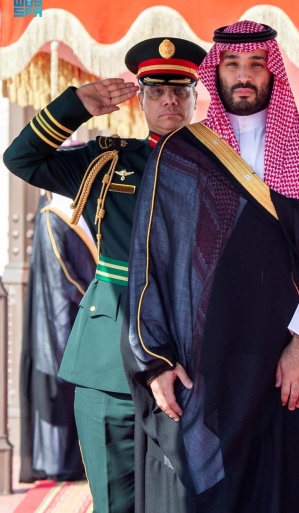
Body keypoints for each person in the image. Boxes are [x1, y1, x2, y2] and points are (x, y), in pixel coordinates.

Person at [122, 21, 299, 513]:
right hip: (211, 359)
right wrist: (156, 360)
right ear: (215, 75)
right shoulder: (181, 153)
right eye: (232, 65)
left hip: (293, 362)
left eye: (256, 65)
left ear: (272, 74)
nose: (243, 76)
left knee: (293, 489)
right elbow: (152, 264)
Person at [3, 36, 206, 512]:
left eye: (180, 91)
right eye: (156, 91)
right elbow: (21, 160)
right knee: (113, 502)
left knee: (183, 501)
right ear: (141, 99)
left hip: (189, 363)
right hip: (107, 360)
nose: (169, 101)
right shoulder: (108, 159)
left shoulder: (220, 172)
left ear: (197, 98)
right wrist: (76, 107)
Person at [19, 191, 95, 482]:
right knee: (60, 386)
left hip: (79, 310)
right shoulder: (52, 215)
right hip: (60, 316)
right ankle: (61, 464)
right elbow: (63, 272)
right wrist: (96, 292)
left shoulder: (74, 210)